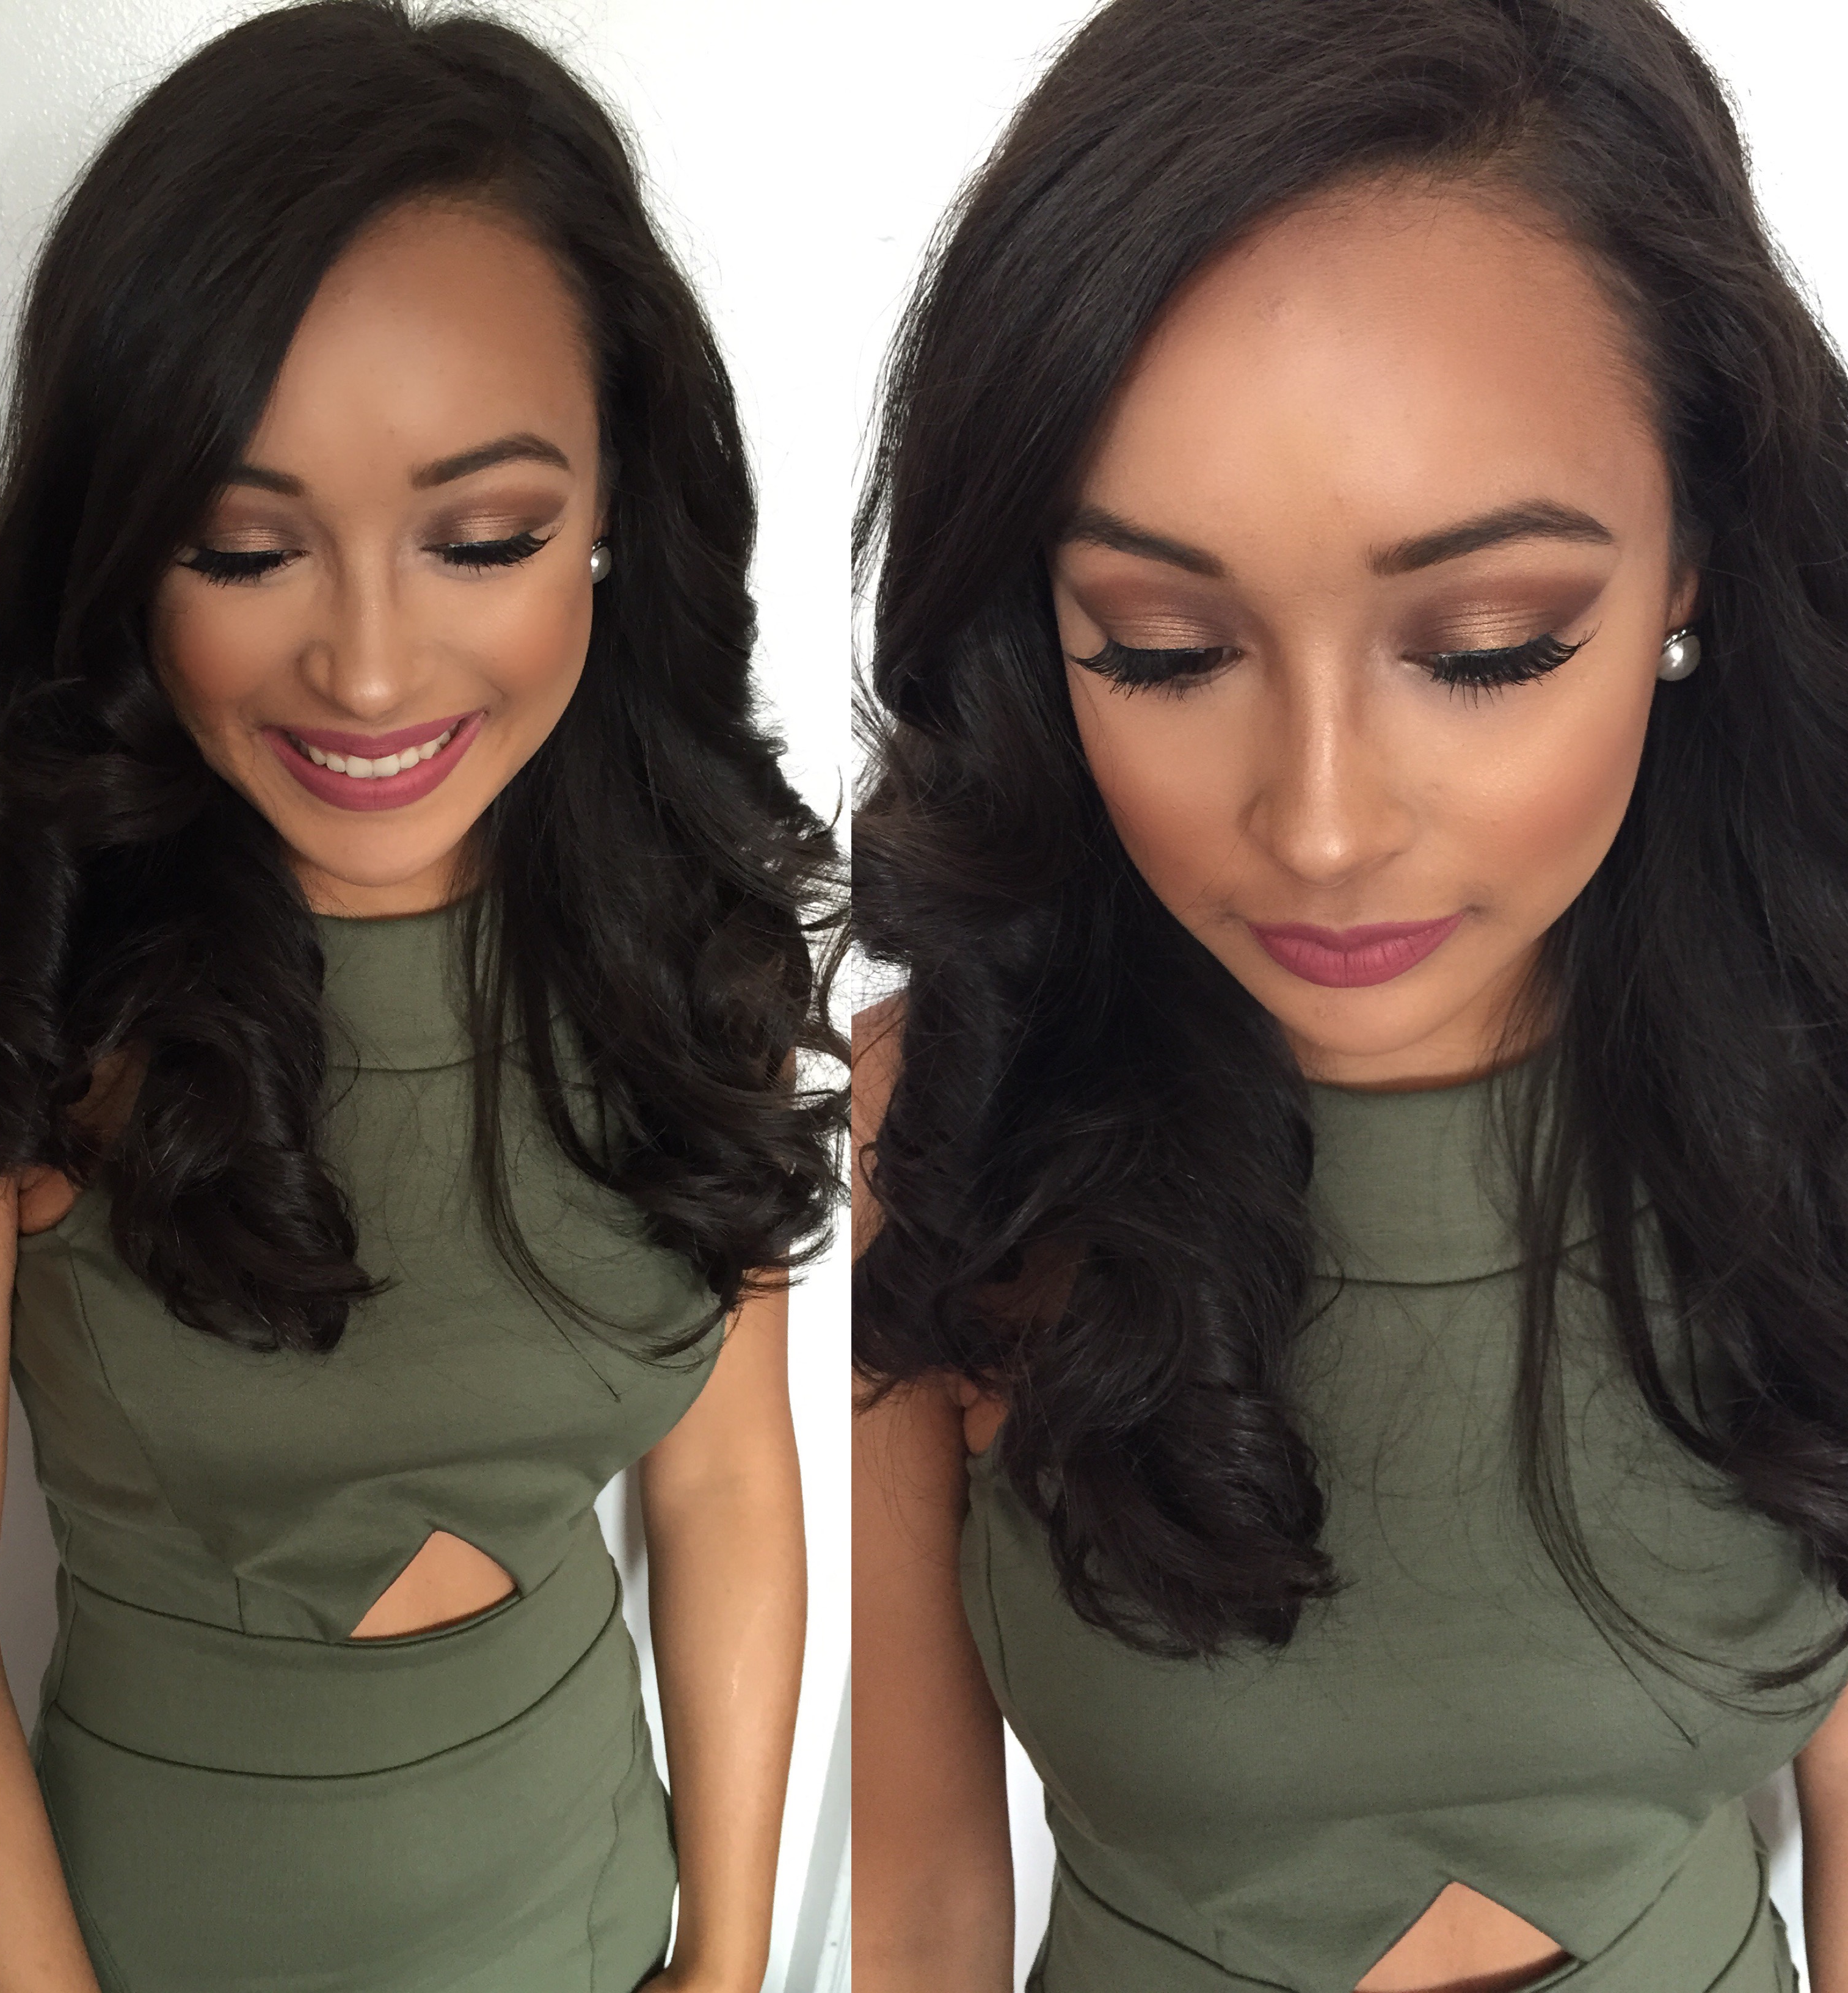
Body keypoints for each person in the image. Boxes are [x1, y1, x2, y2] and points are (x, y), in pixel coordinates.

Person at [850, 1, 1848, 1989]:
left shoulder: (1815, 1079)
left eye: (1484, 645)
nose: (1317, 828)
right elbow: (916, 1903)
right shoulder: (934, 1121)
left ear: (1693, 563)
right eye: (1159, 647)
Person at [0, 5, 841, 1990]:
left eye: (481, 537)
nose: (370, 672)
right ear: (127, 544)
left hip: (601, 1921)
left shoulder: (686, 931)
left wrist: (730, 1963)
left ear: (615, 509)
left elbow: (730, 1486)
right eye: (244, 547)